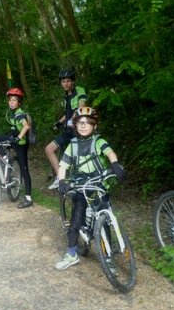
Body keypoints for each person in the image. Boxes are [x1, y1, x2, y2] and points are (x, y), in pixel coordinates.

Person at [54, 107, 126, 270]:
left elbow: (110, 153)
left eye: (87, 123)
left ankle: (108, 257)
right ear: (75, 125)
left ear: (94, 125)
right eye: (80, 123)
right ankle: (72, 254)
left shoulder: (98, 141)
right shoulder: (72, 145)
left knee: (105, 220)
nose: (84, 125)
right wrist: (62, 180)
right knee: (76, 221)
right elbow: (63, 165)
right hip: (81, 186)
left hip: (99, 185)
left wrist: (115, 165)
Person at [0, 87, 34, 208]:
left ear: (19, 102)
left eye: (14, 100)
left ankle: (28, 198)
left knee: (24, 169)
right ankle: (5, 158)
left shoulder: (19, 114)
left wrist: (19, 137)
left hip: (20, 145)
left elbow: (26, 126)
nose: (11, 102)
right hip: (14, 140)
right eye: (10, 100)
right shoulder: (13, 113)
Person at [45, 68, 87, 190]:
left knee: (78, 161)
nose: (66, 84)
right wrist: (59, 122)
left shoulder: (80, 91)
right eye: (63, 81)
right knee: (49, 149)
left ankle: (83, 187)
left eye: (68, 81)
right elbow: (67, 113)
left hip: (78, 131)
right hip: (68, 130)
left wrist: (72, 119)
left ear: (73, 82)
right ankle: (60, 178)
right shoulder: (65, 96)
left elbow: (81, 108)